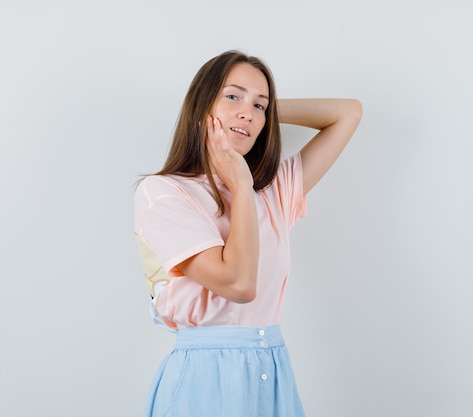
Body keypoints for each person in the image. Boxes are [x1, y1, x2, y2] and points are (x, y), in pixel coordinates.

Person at [134, 50, 362, 417]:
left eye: (260, 105)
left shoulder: (273, 193)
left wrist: (261, 113)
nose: (248, 112)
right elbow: (238, 285)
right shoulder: (163, 193)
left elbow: (347, 113)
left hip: (273, 370)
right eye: (232, 96)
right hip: (205, 376)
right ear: (201, 105)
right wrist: (239, 183)